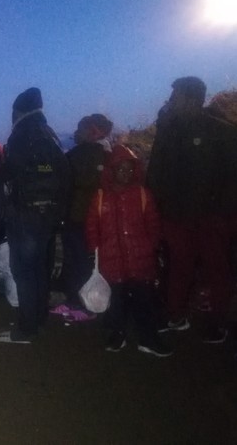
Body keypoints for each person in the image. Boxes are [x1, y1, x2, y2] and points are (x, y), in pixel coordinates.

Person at [147, 76, 237, 343]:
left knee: (216, 270)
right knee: (179, 267)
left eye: (176, 97)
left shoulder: (224, 132)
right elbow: (156, 172)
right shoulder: (169, 131)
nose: (171, 102)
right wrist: (158, 208)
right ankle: (175, 314)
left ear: (192, 99)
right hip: (177, 217)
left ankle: (217, 321)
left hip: (210, 219)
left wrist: (222, 214)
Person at [0, 87, 70, 344]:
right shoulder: (50, 136)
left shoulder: (20, 137)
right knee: (39, 269)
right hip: (47, 215)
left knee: (24, 271)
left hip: (24, 216)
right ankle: (38, 320)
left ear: (18, 112)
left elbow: (8, 176)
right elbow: (64, 174)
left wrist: (4, 209)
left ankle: (26, 329)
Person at [85, 144, 171, 356]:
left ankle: (148, 338)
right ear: (112, 170)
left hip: (140, 260)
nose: (126, 173)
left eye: (130, 169)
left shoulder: (143, 194)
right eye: (121, 168)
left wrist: (150, 246)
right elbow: (92, 225)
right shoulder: (100, 196)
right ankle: (118, 334)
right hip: (111, 260)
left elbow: (153, 224)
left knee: (144, 301)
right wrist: (95, 249)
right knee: (116, 302)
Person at [54, 114, 112, 322]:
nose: (75, 133)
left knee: (76, 260)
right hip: (96, 216)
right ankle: (89, 301)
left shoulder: (78, 156)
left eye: (80, 129)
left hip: (77, 216)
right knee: (87, 261)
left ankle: (80, 304)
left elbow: (66, 185)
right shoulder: (107, 154)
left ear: (91, 131)